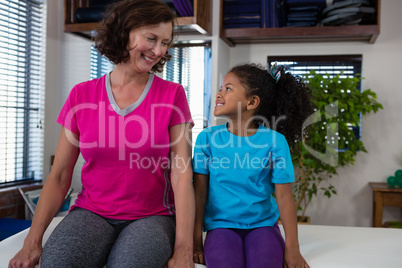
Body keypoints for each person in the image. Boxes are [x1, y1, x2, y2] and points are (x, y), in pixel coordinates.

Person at [9, 0, 195, 267]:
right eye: (151, 39)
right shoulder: (81, 95)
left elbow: (181, 172)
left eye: (165, 42)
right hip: (91, 212)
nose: (158, 50)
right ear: (124, 32)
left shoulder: (173, 94)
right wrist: (32, 242)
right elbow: (60, 174)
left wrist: (183, 250)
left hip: (151, 216)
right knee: (58, 262)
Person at [192, 63, 312, 268]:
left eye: (227, 89)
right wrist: (194, 242)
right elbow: (199, 194)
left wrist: (293, 249)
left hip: (263, 225)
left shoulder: (275, 142)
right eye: (221, 88)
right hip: (221, 227)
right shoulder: (207, 139)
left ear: (252, 102)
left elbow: (284, 197)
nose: (219, 94)